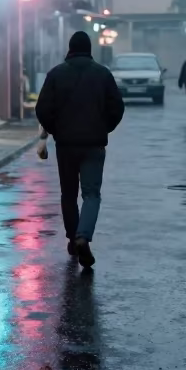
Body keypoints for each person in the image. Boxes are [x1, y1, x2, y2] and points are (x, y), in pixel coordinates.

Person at [35, 31, 125, 268]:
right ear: (89, 49)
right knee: (91, 194)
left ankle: (72, 238)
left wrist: (55, 130)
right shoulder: (103, 74)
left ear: (70, 48)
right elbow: (117, 108)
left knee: (68, 194)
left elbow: (42, 109)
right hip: (94, 145)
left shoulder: (56, 74)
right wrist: (103, 128)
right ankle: (83, 236)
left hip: (65, 146)